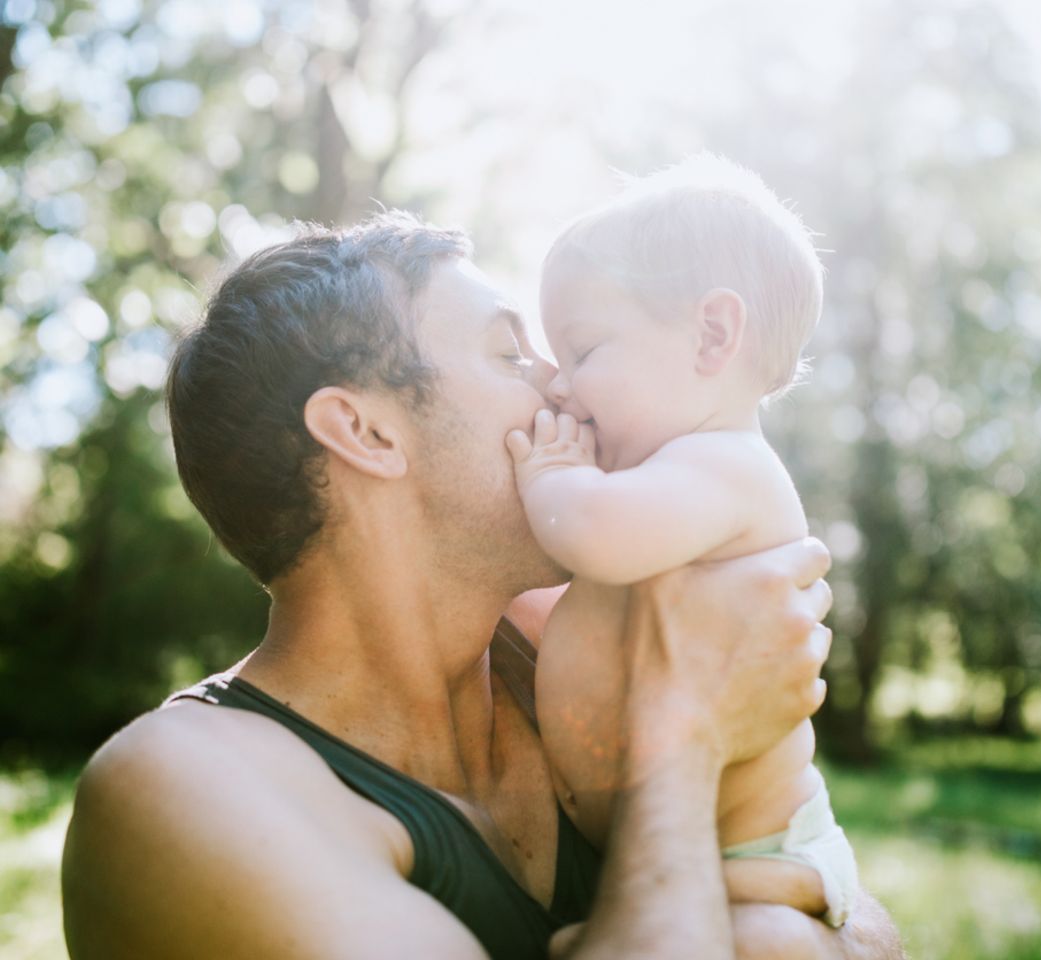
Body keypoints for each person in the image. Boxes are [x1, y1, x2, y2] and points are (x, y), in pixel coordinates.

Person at [59, 212, 905, 960]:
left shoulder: (574, 640)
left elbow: (859, 915)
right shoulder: (183, 793)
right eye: (511, 352)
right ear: (364, 432)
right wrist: (680, 746)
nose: (563, 385)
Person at [507, 156, 858, 928]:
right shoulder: (676, 475)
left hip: (759, 856)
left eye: (585, 352)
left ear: (712, 335)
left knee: (767, 947)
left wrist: (553, 475)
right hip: (690, 850)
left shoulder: (722, 467)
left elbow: (590, 534)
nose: (559, 387)